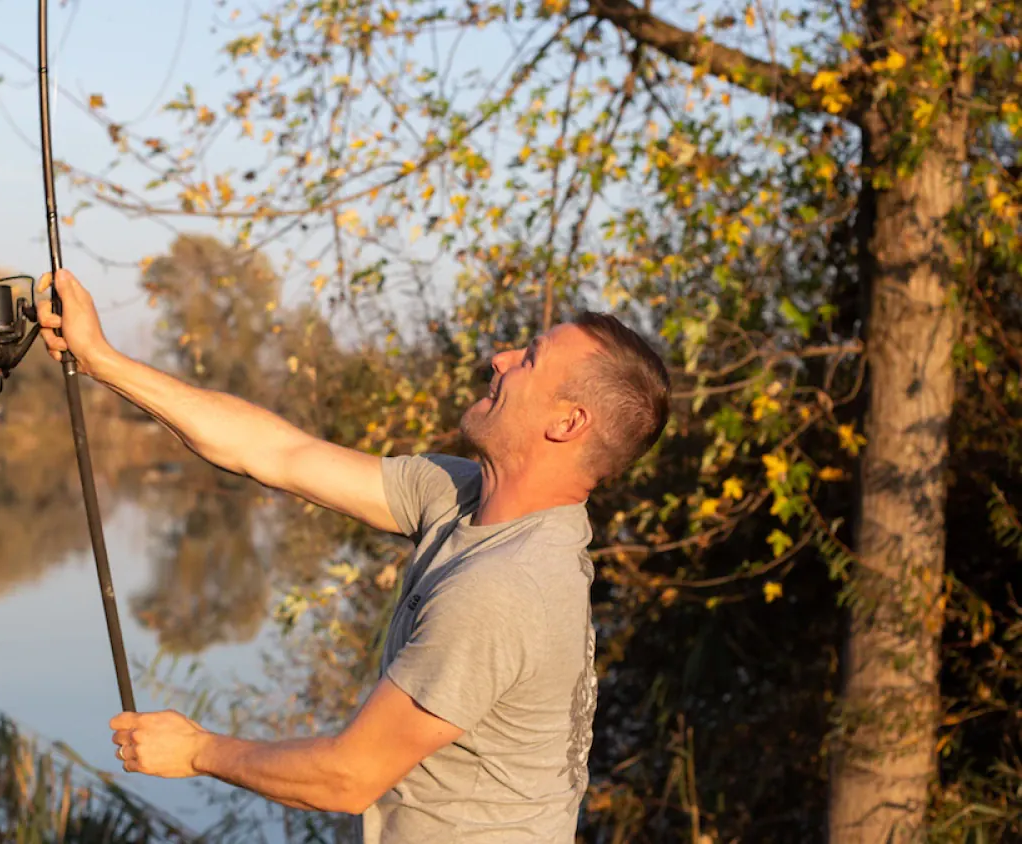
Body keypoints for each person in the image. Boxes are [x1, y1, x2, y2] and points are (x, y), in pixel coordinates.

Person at [36, 268, 671, 843]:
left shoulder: (507, 587)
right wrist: (102, 362)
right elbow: (277, 453)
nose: (499, 358)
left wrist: (198, 751)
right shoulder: (460, 496)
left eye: (529, 360)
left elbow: (345, 776)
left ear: (567, 423)